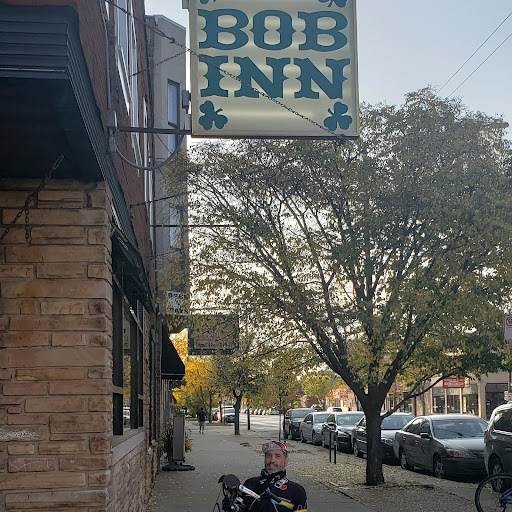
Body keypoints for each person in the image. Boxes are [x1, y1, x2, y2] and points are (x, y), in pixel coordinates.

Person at [242, 441, 307, 511]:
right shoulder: (250, 484)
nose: (272, 460)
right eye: (268, 456)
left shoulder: (297, 491)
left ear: (286, 460)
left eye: (277, 456)